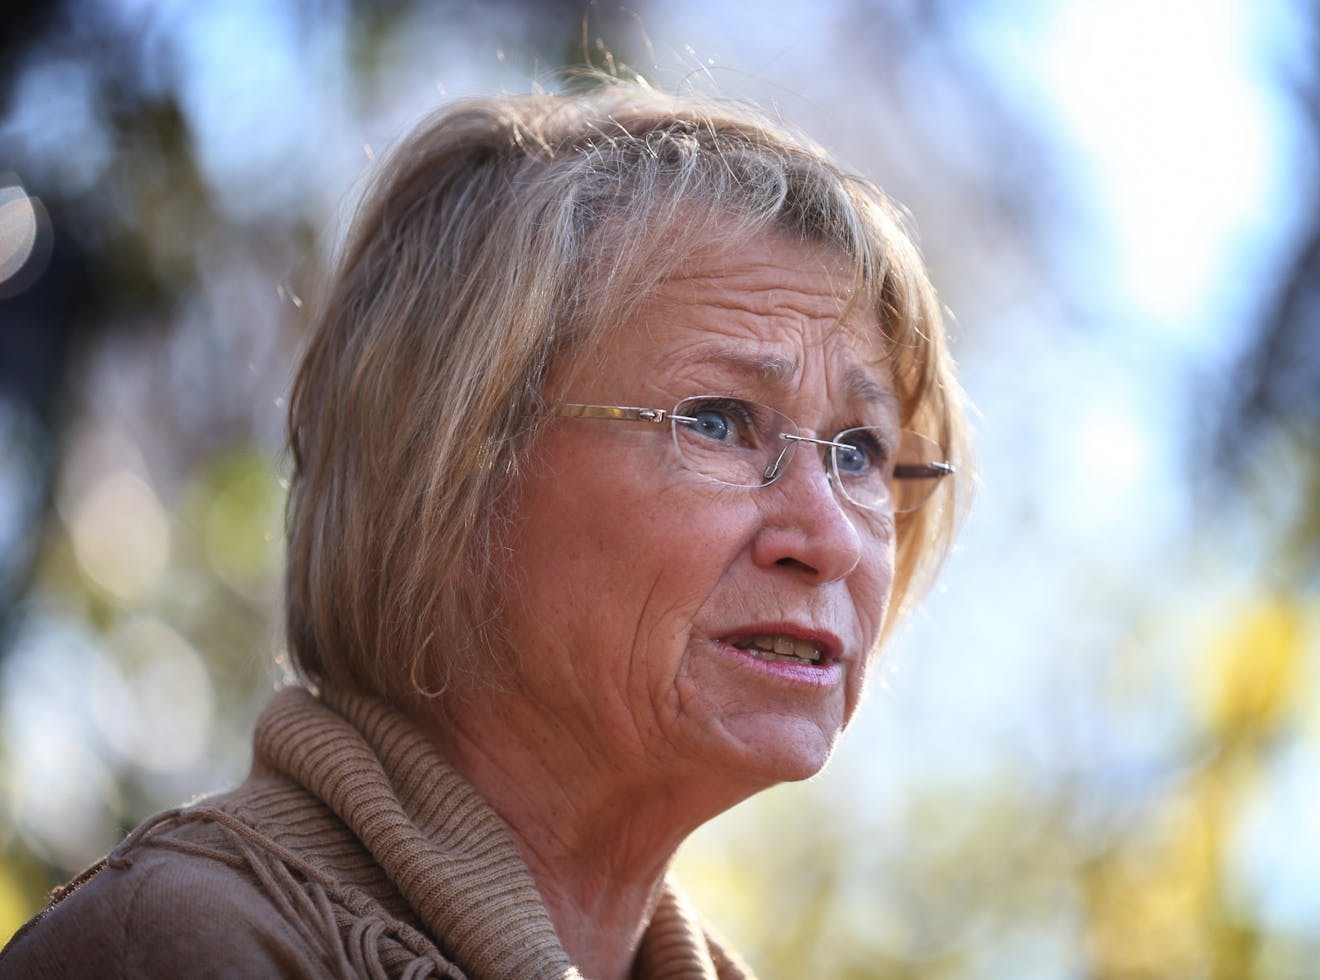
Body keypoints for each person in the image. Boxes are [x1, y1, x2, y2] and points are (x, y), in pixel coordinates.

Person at [0, 81, 968, 978]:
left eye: (857, 450)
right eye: (715, 419)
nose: (828, 537)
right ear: (452, 470)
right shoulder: (182, 944)